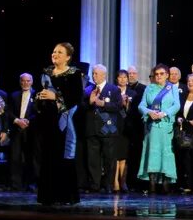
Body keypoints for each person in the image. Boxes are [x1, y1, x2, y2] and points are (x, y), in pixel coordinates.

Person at [33, 43, 85, 205]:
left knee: (63, 156)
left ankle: (64, 196)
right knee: (47, 156)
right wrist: (40, 98)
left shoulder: (74, 74)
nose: (55, 54)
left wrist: (55, 98)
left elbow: (76, 98)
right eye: (54, 51)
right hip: (47, 121)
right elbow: (39, 94)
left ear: (68, 57)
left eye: (60, 52)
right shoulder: (46, 73)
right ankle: (47, 196)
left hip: (64, 120)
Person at [139, 64, 180, 194]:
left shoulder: (172, 88)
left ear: (167, 75)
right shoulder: (149, 88)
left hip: (166, 126)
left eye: (162, 74)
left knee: (166, 154)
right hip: (152, 127)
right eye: (156, 74)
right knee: (153, 153)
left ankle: (165, 185)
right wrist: (149, 112)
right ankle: (152, 185)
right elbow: (141, 105)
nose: (159, 76)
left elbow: (177, 105)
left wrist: (165, 113)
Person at [84, 64, 123, 193]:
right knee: (93, 160)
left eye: (96, 73)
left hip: (108, 129)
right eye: (93, 73)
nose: (94, 76)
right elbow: (82, 107)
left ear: (104, 75)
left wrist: (103, 104)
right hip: (92, 129)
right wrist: (89, 102)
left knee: (109, 159)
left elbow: (118, 106)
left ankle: (108, 186)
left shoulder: (114, 89)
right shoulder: (88, 90)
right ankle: (94, 185)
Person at [8, 72, 37, 191]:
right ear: (20, 82)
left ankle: (31, 183)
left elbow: (38, 113)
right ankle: (16, 184)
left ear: (32, 82)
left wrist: (27, 121)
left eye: (28, 81)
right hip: (16, 130)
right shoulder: (14, 95)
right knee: (15, 158)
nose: (25, 83)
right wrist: (16, 120)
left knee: (31, 158)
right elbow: (8, 111)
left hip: (31, 131)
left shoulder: (37, 95)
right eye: (23, 81)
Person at [112, 70, 134, 192]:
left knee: (124, 155)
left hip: (127, 127)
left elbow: (134, 112)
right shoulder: (112, 91)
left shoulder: (133, 93)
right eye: (120, 77)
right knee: (115, 155)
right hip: (114, 125)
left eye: (124, 77)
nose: (122, 79)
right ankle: (114, 181)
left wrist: (127, 105)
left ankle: (123, 181)